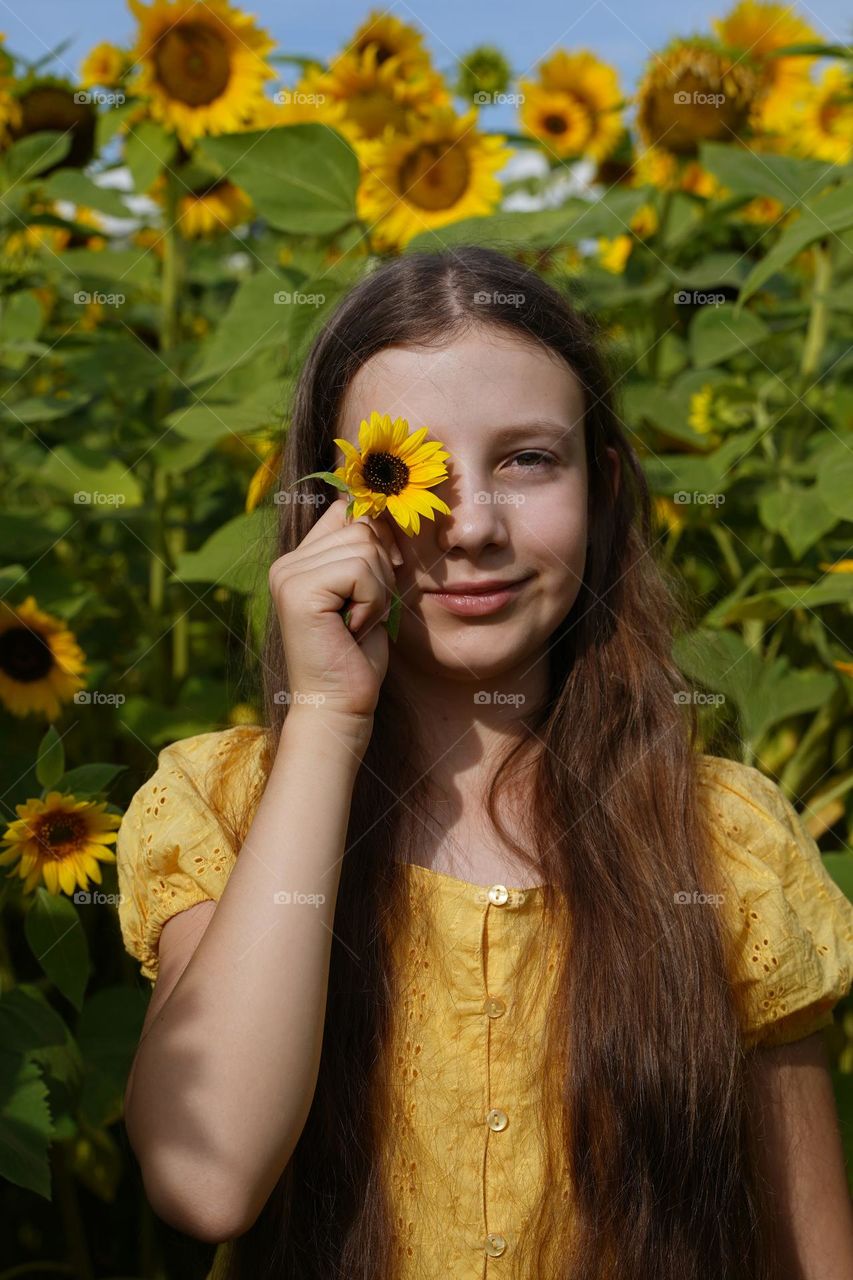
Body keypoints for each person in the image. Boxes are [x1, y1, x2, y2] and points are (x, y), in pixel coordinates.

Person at [116, 245, 853, 1280]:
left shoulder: (723, 837)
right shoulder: (225, 805)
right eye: (402, 471)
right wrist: (327, 715)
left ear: (600, 489)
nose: (468, 526)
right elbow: (206, 1176)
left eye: (526, 459)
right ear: (328, 505)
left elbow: (811, 1255)